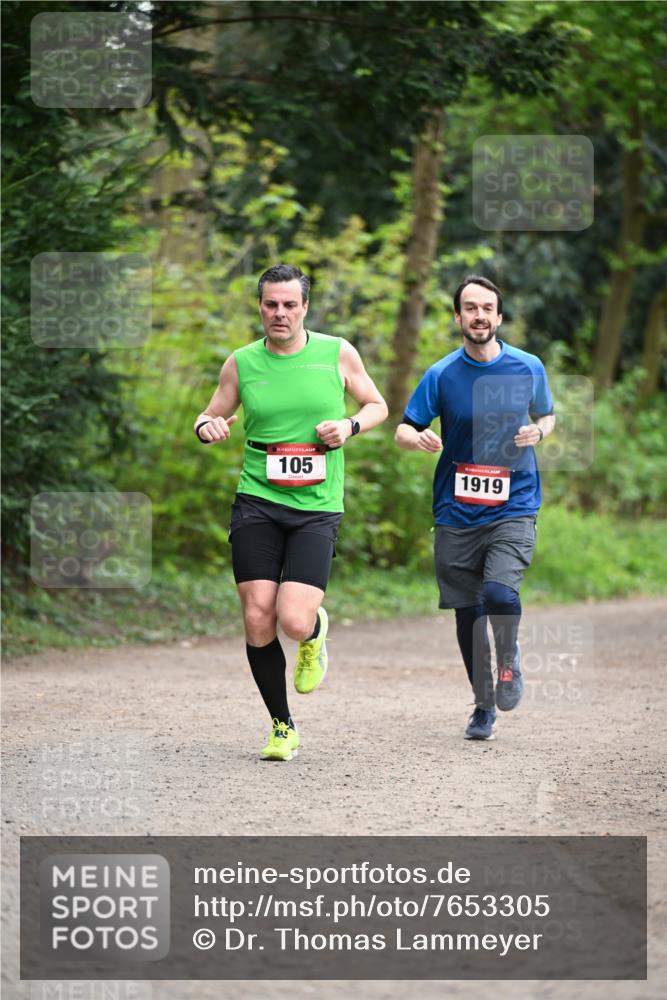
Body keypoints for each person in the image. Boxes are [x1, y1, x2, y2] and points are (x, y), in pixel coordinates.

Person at [193, 264, 388, 760]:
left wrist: (350, 426)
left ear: (305, 307)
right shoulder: (241, 362)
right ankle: (282, 725)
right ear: (260, 306)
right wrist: (206, 427)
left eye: (289, 304)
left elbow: (377, 404)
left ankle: (314, 633)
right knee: (258, 616)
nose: (279, 313)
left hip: (316, 507)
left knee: (293, 620)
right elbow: (210, 412)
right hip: (258, 498)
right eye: (270, 304)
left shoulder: (336, 353)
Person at [395, 275, 555, 740]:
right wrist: (417, 437)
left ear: (499, 317)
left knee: (500, 596)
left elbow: (546, 413)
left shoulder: (527, 366)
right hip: (456, 510)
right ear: (457, 316)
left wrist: (540, 432)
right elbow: (404, 428)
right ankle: (483, 704)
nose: (479, 315)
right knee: (468, 612)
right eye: (470, 308)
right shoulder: (442, 374)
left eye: (487, 308)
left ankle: (508, 660)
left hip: (515, 503)